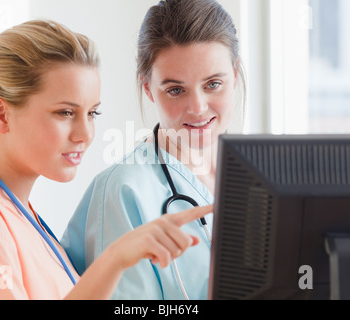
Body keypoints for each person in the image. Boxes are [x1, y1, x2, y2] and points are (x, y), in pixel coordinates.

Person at [0, 19, 213, 300]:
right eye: (65, 113)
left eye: (92, 113)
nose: (86, 134)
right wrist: (114, 259)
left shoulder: (18, 213)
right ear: (0, 113)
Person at [62, 0, 246, 300]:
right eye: (176, 89)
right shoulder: (125, 190)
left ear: (234, 76)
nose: (198, 108)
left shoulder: (258, 176)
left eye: (213, 84)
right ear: (148, 88)